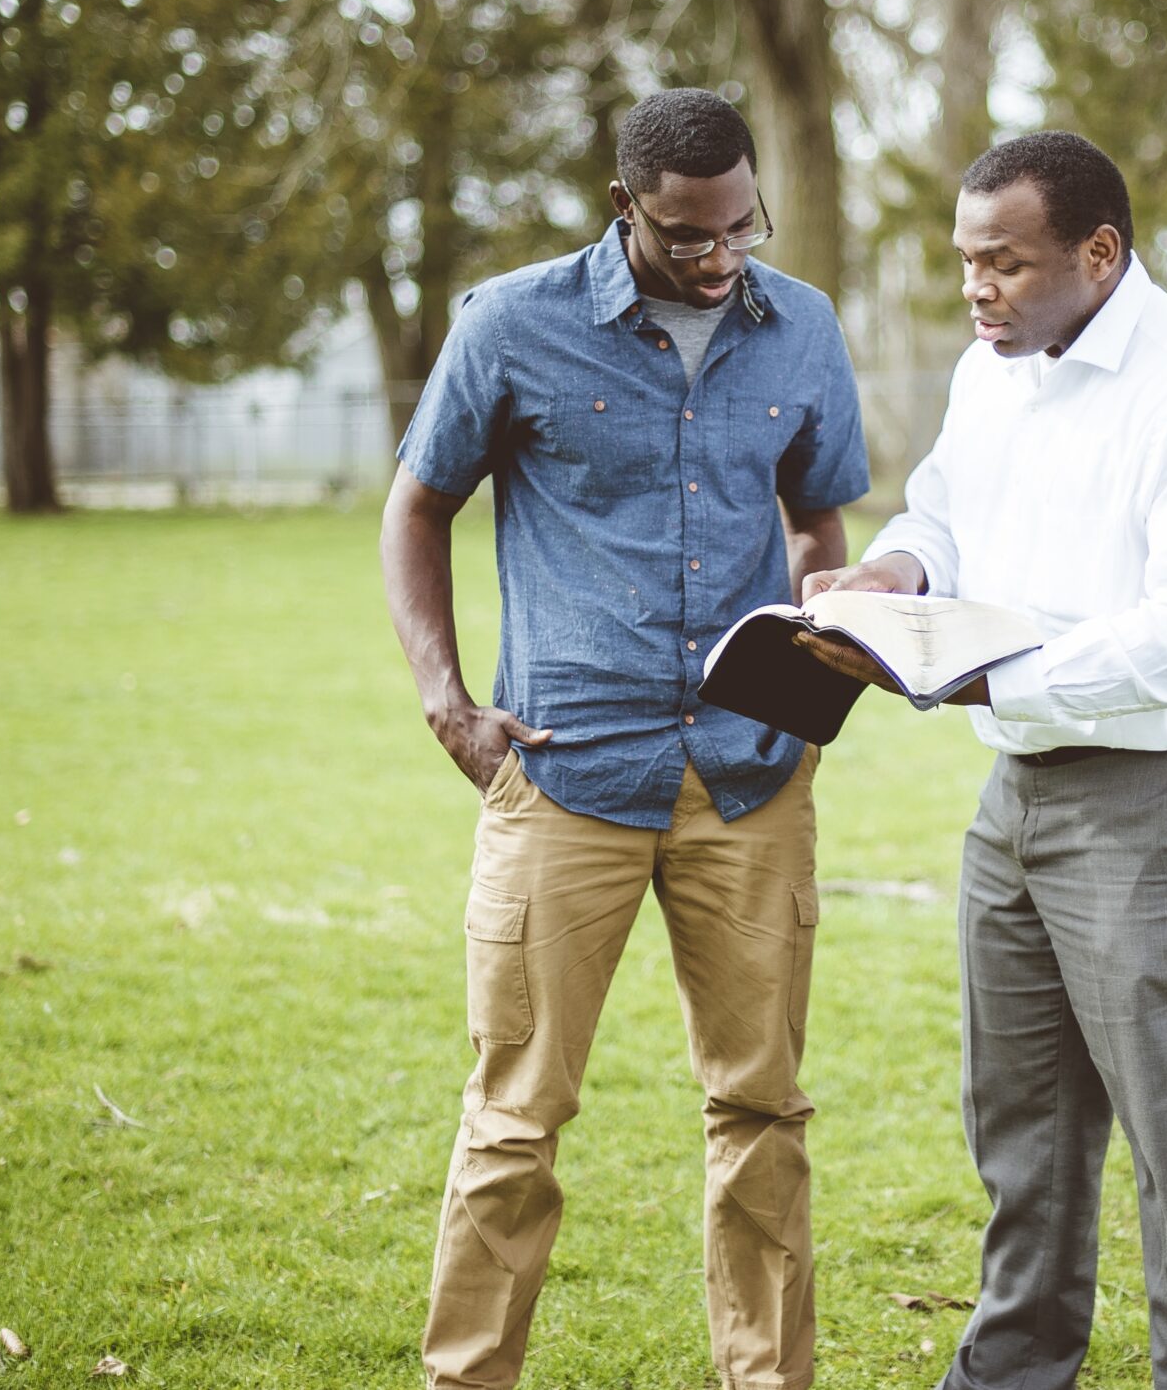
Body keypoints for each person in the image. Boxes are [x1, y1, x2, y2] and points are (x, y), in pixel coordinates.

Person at [800, 131, 1167, 1390]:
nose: (979, 288)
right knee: (1021, 1114)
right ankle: (1014, 1371)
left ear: (1098, 251)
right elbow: (943, 510)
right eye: (967, 260)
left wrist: (983, 674)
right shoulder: (996, 369)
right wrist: (899, 572)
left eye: (1006, 263)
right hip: (1021, 784)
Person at [381, 87, 870, 1390]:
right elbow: (417, 505)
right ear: (625, 209)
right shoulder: (511, 324)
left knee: (761, 1106)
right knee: (513, 1118)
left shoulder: (804, 328)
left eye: (740, 230)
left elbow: (823, 522)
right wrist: (445, 695)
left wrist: (827, 631)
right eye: (687, 235)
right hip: (565, 770)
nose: (719, 258)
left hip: (753, 779)